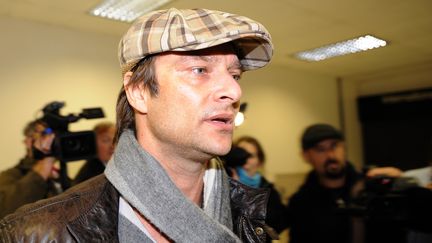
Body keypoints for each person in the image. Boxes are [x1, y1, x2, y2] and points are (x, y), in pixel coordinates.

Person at [0, 8, 275, 242]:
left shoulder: (254, 214)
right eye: (199, 70)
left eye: (235, 75)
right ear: (138, 92)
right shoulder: (40, 232)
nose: (233, 92)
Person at [284, 123, 406, 243]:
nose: (331, 155)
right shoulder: (301, 203)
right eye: (320, 149)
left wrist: (400, 183)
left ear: (344, 148)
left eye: (335, 146)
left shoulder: (372, 187)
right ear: (306, 156)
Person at [0, 119, 60, 219]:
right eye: (45, 135)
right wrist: (46, 162)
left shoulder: (60, 174)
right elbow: (5, 210)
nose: (50, 141)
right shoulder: (11, 175)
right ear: (28, 142)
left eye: (53, 136)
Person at [234, 136, 286, 235]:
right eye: (241, 154)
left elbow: (278, 227)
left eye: (250, 156)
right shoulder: (222, 186)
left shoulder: (269, 191)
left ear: (260, 162)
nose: (244, 160)